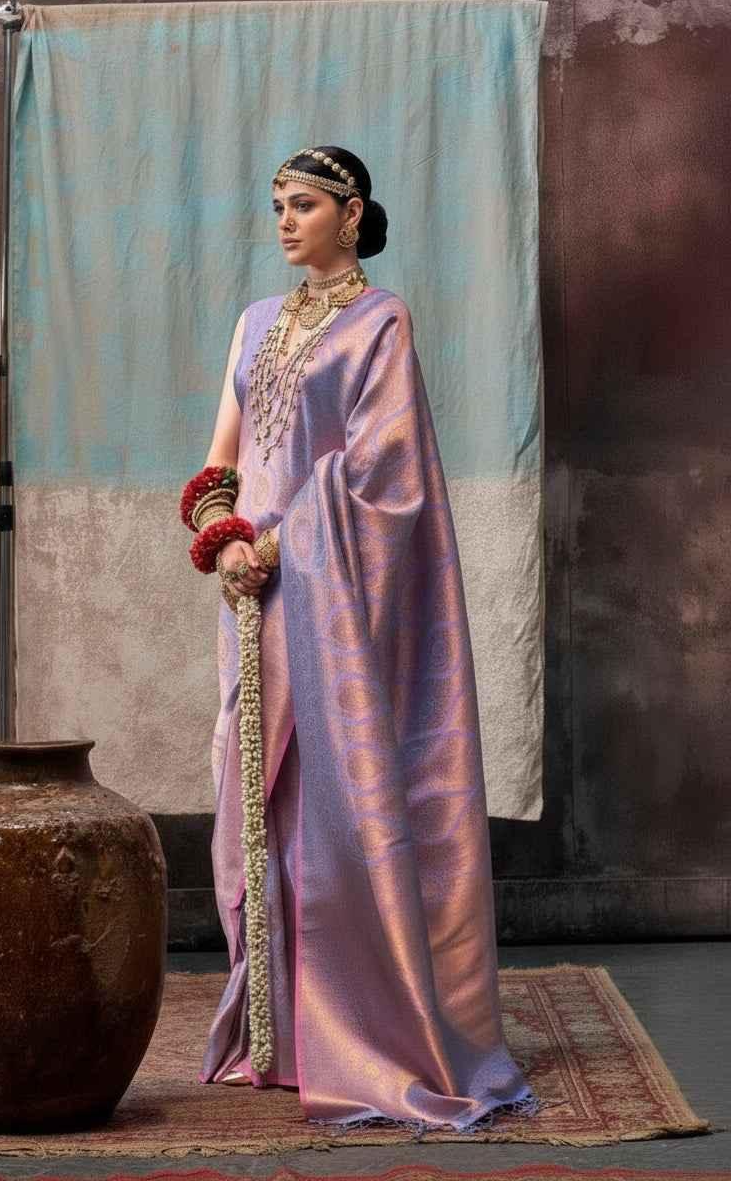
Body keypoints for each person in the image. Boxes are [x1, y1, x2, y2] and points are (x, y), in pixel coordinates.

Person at [179, 146, 542, 1134]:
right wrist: (221, 544)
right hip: (249, 595)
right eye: (277, 206)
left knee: (334, 800)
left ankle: (357, 1025)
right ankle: (276, 1032)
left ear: (353, 212)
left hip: (332, 596)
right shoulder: (254, 322)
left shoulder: (380, 321)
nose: (286, 222)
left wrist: (281, 539)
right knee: (248, 802)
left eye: (303, 205)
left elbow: (384, 474)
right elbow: (220, 463)